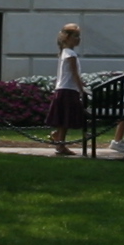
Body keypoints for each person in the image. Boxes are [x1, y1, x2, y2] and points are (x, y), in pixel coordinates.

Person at [48, 22, 87, 156]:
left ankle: (58, 136)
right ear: (67, 37)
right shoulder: (70, 54)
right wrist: (82, 89)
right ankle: (61, 145)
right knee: (65, 119)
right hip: (68, 89)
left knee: (65, 118)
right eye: (75, 36)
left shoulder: (65, 52)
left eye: (79, 36)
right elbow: (75, 74)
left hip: (63, 88)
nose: (78, 39)